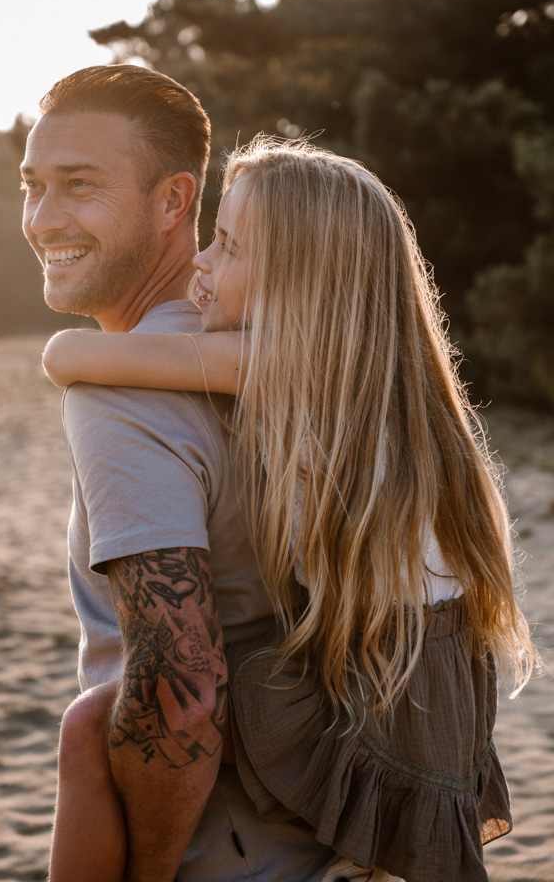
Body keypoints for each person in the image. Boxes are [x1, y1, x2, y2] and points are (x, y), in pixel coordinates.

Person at [42, 136, 536, 882]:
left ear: (301, 280)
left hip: (386, 694)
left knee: (94, 727)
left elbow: (66, 358)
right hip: (423, 680)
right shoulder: (374, 362)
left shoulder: (284, 365)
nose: (199, 265)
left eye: (228, 247)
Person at [22, 67, 345, 882]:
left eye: (79, 186)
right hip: (328, 834)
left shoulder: (123, 389)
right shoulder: (270, 344)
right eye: (32, 186)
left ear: (173, 203)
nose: (42, 218)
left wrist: (150, 870)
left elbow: (182, 686)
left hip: (221, 853)